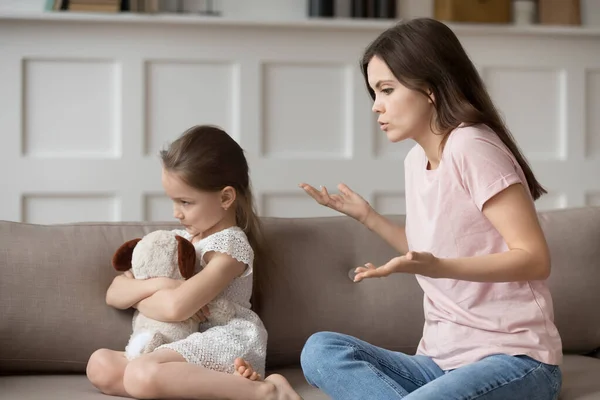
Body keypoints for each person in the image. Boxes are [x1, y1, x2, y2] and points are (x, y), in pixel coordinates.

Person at [299, 17, 563, 400]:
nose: (376, 107)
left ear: (430, 87)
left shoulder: (472, 146)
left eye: (387, 90)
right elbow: (428, 250)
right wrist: (367, 216)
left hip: (516, 360)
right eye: (374, 93)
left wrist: (439, 267)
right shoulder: (414, 161)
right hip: (438, 363)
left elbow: (535, 259)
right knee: (321, 351)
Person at [86, 125, 301, 400]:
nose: (176, 212)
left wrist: (142, 296)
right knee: (100, 365)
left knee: (140, 375)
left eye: (186, 202)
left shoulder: (230, 248)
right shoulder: (177, 241)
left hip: (225, 339)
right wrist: (167, 284)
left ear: (225, 197)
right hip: (181, 340)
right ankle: (225, 389)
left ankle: (266, 390)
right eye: (173, 201)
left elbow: (176, 308)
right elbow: (114, 293)